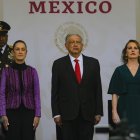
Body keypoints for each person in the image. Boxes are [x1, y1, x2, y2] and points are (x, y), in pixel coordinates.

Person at [51, 34, 103, 140]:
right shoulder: (58, 64)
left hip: (87, 114)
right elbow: (55, 91)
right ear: (66, 45)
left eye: (78, 42)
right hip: (66, 115)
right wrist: (56, 113)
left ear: (82, 45)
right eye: (71, 42)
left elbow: (98, 89)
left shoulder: (93, 63)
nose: (75, 44)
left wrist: (98, 111)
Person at [0, 40, 41, 140]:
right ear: (13, 52)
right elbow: (2, 94)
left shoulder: (32, 71)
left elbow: (36, 94)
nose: (20, 51)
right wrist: (3, 114)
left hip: (29, 114)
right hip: (11, 114)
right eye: (17, 49)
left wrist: (37, 115)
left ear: (26, 52)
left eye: (23, 49)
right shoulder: (6, 71)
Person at [108, 40, 140, 135]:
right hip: (124, 108)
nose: (132, 50)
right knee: (125, 135)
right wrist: (114, 112)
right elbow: (114, 93)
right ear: (126, 53)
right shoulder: (119, 70)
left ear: (139, 53)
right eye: (129, 48)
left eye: (135, 48)